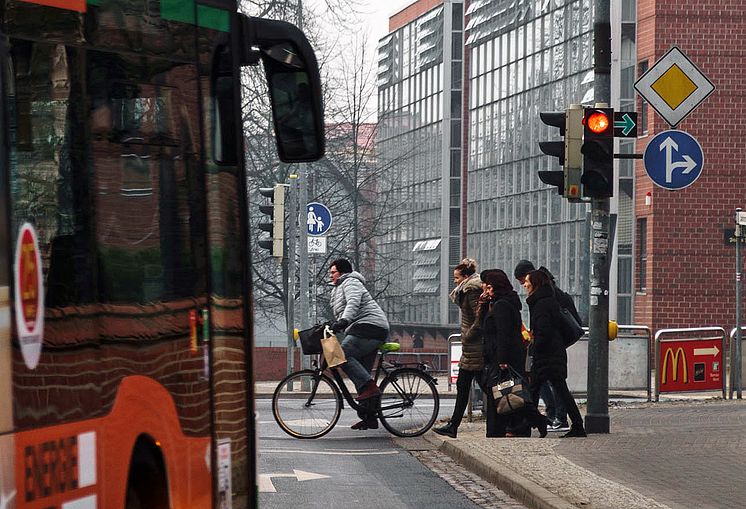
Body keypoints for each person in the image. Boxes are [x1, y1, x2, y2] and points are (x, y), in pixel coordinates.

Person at [514, 260, 580, 432]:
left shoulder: (542, 304)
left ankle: (532, 423)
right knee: (548, 389)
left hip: (547, 356)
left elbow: (544, 331)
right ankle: (572, 424)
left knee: (538, 389)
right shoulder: (545, 299)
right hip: (552, 354)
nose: (525, 285)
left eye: (526, 282)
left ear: (534, 283)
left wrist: (535, 349)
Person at [480, 270, 547, 438]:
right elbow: (485, 326)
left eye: (489, 288)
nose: (486, 291)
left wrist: (502, 360)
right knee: (508, 393)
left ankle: (502, 430)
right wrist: (483, 306)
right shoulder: (497, 302)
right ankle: (531, 422)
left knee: (507, 393)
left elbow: (503, 334)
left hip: (504, 358)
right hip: (499, 356)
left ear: (497, 287)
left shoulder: (502, 305)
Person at [328, 258, 390, 430]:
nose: (331, 275)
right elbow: (343, 309)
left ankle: (371, 388)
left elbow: (353, 302)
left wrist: (344, 321)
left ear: (342, 272)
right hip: (363, 328)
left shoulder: (351, 282)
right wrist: (334, 323)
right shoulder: (340, 287)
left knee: (342, 354)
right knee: (360, 378)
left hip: (370, 326)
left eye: (333, 272)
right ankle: (370, 417)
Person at [433, 258, 483, 439]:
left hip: (476, 348)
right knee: (463, 386)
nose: (454, 281)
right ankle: (453, 426)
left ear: (466, 276)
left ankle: (514, 420)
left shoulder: (471, 290)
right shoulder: (466, 289)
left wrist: (469, 335)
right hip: (470, 350)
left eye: (456, 277)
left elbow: (480, 317)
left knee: (487, 388)